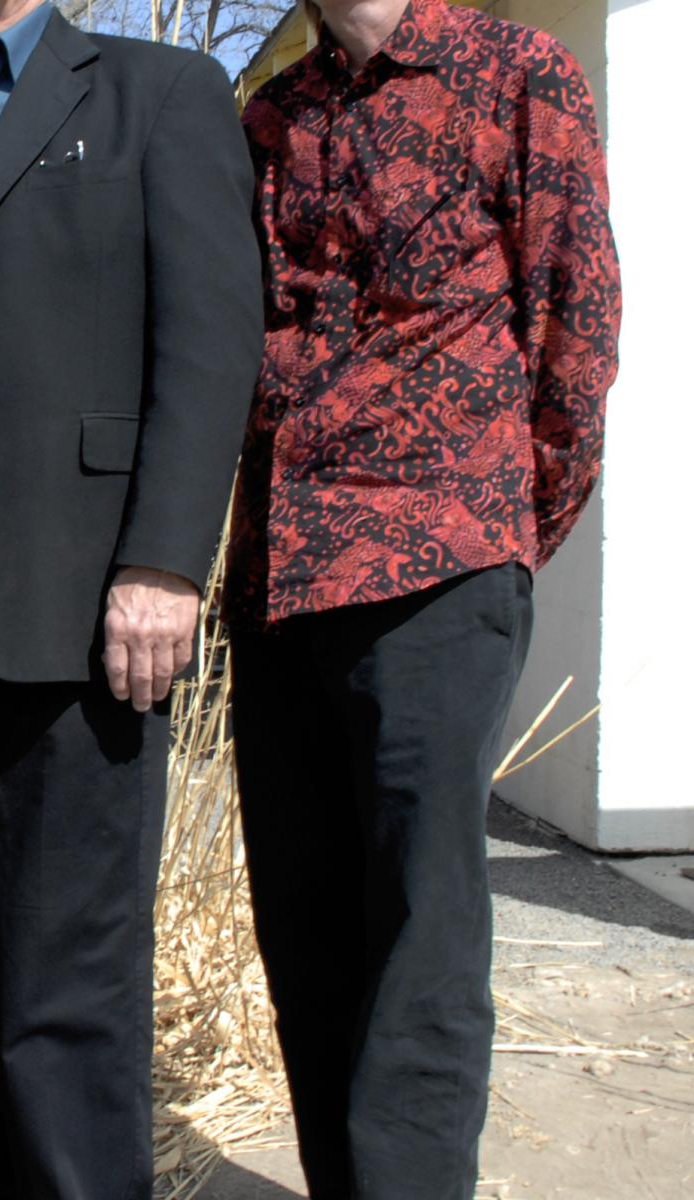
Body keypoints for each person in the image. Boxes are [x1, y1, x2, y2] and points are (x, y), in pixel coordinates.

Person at [0, 1, 263, 1195]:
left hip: (80, 588)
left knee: (61, 976)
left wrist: (166, 561)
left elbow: (209, 339)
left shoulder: (158, 93)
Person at [227, 1, 621, 1196]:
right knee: (304, 924)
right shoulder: (272, 115)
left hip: (439, 571)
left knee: (420, 930)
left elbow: (581, 323)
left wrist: (498, 532)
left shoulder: (517, 73)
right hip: (282, 579)